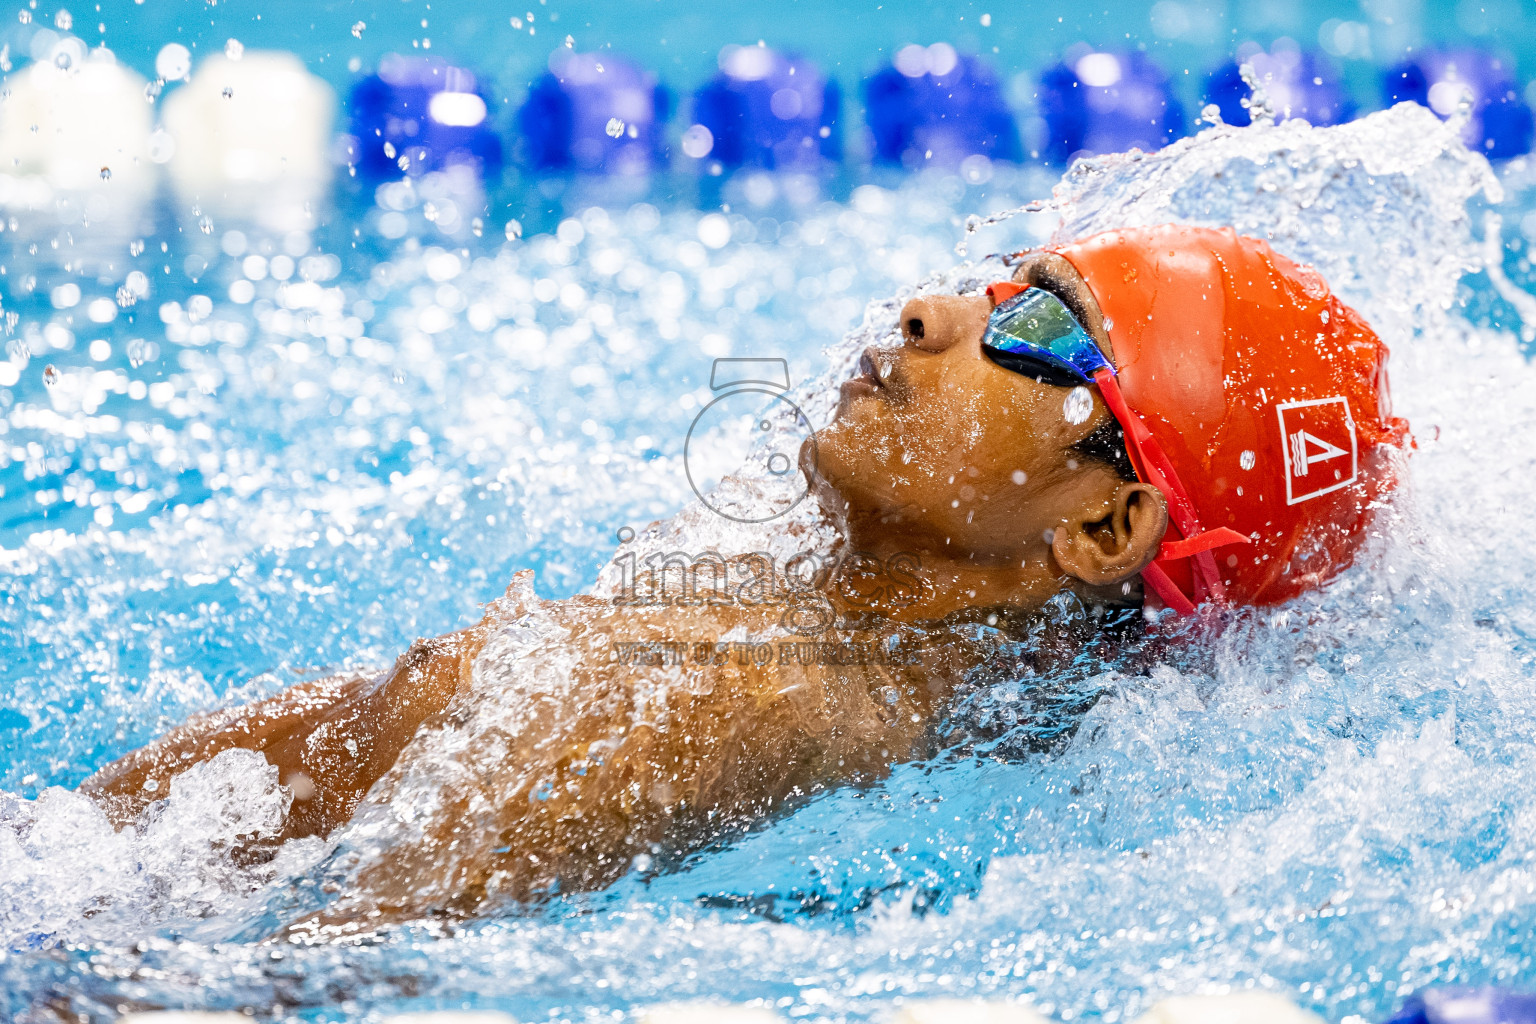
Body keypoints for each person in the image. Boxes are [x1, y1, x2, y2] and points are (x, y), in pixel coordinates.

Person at [78, 224, 1409, 936]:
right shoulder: (808, 594)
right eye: (990, 281)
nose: (931, 314)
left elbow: (365, 942)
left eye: (1038, 327)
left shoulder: (777, 700)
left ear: (1109, 529)